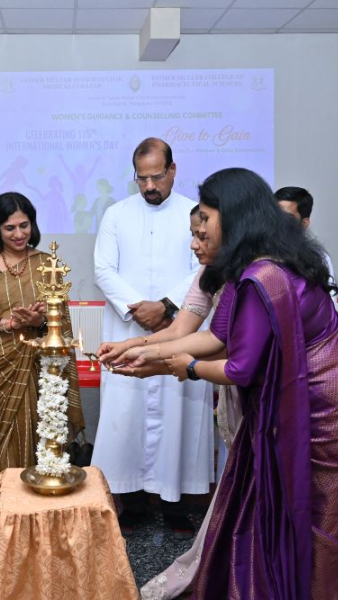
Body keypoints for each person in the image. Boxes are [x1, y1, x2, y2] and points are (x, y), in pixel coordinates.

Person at [131, 167, 338, 598]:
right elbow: (217, 336)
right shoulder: (249, 267)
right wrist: (145, 351)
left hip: (327, 402)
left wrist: (184, 367)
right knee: (277, 501)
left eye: (206, 218)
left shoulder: (265, 276)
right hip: (300, 390)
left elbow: (239, 368)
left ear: (235, 216)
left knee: (324, 512)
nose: (198, 232)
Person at [101, 205, 241, 599]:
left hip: (286, 390)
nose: (193, 245)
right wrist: (134, 345)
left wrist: (172, 365)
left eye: (201, 236)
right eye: (192, 235)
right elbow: (184, 330)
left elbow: (229, 351)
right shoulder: (209, 272)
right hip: (239, 381)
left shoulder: (256, 276)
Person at [93, 137, 211, 539]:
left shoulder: (194, 214)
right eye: (142, 178)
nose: (149, 186)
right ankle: (133, 502)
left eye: (157, 177)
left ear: (173, 170)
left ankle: (176, 504)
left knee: (179, 410)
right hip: (128, 328)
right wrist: (137, 308)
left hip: (180, 326)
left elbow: (202, 269)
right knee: (126, 414)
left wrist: (166, 306)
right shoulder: (116, 214)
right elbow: (103, 269)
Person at [0, 192, 85, 501]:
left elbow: (61, 322)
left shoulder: (47, 265)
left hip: (40, 366)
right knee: (1, 437)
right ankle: (5, 506)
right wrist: (9, 323)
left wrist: (40, 320)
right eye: (9, 228)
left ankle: (44, 500)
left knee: (44, 427)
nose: (18, 234)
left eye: (24, 225)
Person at [276, 186, 336, 285]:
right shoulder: (256, 254)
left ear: (304, 223)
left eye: (287, 217)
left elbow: (328, 294)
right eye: (276, 215)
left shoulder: (318, 258)